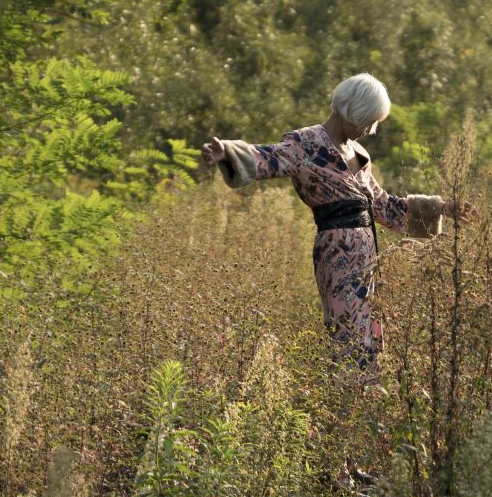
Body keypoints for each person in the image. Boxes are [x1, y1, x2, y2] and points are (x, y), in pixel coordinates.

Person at [200, 73, 474, 380]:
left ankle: (365, 402)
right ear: (351, 111)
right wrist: (227, 151)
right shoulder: (306, 144)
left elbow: (384, 206)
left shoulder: (358, 155)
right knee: (349, 335)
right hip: (337, 257)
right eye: (368, 121)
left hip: (368, 258)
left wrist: (443, 208)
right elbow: (268, 157)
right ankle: (350, 401)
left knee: (370, 332)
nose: (371, 130)